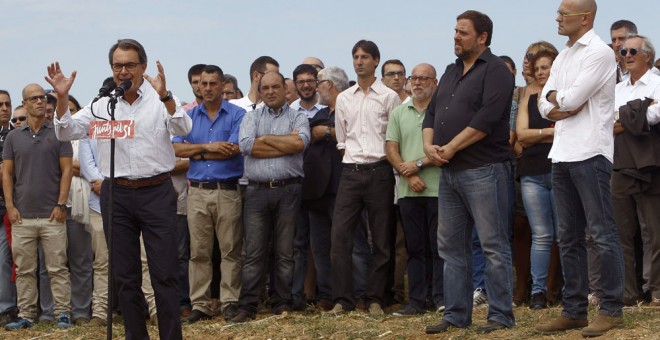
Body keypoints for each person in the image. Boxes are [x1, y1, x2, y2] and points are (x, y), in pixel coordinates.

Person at [47, 38, 192, 339]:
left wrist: (166, 96)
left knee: (164, 273)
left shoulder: (160, 100)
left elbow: (183, 128)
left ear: (143, 66)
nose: (123, 71)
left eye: (129, 65)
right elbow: (65, 131)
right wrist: (62, 98)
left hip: (156, 191)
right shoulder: (102, 105)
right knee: (125, 277)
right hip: (118, 195)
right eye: (117, 65)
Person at [535, 1, 625, 337]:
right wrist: (560, 101)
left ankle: (611, 308)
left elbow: (569, 101)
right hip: (562, 154)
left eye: (563, 14)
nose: (557, 18)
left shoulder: (599, 53)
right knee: (568, 237)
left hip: (591, 152)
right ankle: (574, 311)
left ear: (584, 17)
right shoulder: (562, 55)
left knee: (601, 233)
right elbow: (545, 104)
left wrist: (560, 100)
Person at [423, 10, 514, 334]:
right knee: (451, 247)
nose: (455, 37)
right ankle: (457, 314)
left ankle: (501, 315)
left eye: (462, 32)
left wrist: (451, 148)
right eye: (455, 31)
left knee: (493, 245)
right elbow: (432, 113)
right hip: (449, 173)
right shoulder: (449, 71)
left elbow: (485, 121)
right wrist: (429, 146)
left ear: (482, 37)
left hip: (484, 170)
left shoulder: (497, 72)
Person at [231, 71, 310, 322]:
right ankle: (248, 306)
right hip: (256, 191)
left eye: (276, 86)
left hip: (289, 190)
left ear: (285, 89)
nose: (271, 91)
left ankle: (282, 302)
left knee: (285, 251)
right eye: (266, 88)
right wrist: (283, 143)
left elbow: (300, 145)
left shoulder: (298, 115)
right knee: (253, 252)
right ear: (260, 90)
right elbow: (245, 145)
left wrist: (264, 139)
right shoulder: (250, 116)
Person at [330, 40, 401, 316]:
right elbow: (341, 139)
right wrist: (354, 161)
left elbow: (394, 137)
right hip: (350, 172)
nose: (359, 61)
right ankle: (343, 299)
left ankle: (375, 299)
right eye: (355, 57)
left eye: (365, 57)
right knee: (340, 238)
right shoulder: (344, 98)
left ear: (376, 61)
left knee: (381, 239)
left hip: (380, 171)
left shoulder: (389, 97)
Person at [172, 64, 246, 323]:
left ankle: (229, 303)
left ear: (222, 85)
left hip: (227, 190)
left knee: (230, 250)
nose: (208, 88)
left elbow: (234, 148)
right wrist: (209, 146)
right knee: (198, 252)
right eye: (204, 84)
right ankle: (200, 305)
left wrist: (197, 149)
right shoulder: (188, 116)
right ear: (198, 86)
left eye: (213, 83)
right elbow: (177, 150)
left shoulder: (237, 113)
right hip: (198, 192)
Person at [3, 83, 74, 330]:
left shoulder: (58, 133)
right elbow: (7, 174)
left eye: (43, 97)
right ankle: (26, 315)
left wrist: (61, 204)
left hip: (52, 214)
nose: (40, 102)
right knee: (24, 270)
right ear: (24, 104)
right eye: (34, 98)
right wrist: (10, 207)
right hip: (22, 215)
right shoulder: (13, 137)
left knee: (57, 267)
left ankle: (63, 313)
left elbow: (67, 171)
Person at [386, 63, 444, 316]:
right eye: (414, 78)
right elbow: (391, 148)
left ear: (435, 82)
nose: (417, 83)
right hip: (409, 192)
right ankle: (417, 301)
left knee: (439, 248)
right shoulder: (399, 112)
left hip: (439, 190)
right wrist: (407, 174)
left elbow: (446, 148)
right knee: (415, 249)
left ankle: (441, 298)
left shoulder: (443, 112)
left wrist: (417, 164)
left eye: (424, 78)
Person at [611, 34, 660, 307]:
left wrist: (623, 117)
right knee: (621, 233)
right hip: (619, 164)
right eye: (622, 51)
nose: (626, 55)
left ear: (647, 56)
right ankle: (628, 293)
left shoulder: (657, 83)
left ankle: (656, 290)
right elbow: (606, 122)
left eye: (631, 51)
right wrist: (639, 110)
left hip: (650, 165)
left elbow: (656, 114)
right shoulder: (616, 88)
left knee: (654, 233)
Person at [516, 46, 559, 310]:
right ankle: (538, 293)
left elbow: (568, 129)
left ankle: (564, 290)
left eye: (547, 67)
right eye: (538, 68)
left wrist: (537, 134)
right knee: (542, 235)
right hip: (531, 173)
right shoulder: (527, 98)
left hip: (559, 169)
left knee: (564, 234)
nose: (542, 72)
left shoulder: (564, 97)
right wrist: (550, 131)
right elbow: (521, 135)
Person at [302, 66, 349, 311]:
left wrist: (328, 132)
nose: (316, 87)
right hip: (316, 192)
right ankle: (328, 295)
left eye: (318, 82)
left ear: (329, 84)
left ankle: (353, 295)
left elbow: (357, 136)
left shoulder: (351, 109)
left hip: (344, 188)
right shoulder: (317, 116)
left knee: (347, 245)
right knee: (320, 247)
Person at [0, 90, 17, 327]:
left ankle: (6, 308)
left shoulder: (17, 135)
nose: (4, 108)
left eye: (7, 104)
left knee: (5, 259)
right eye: (0, 104)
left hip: (8, 208)